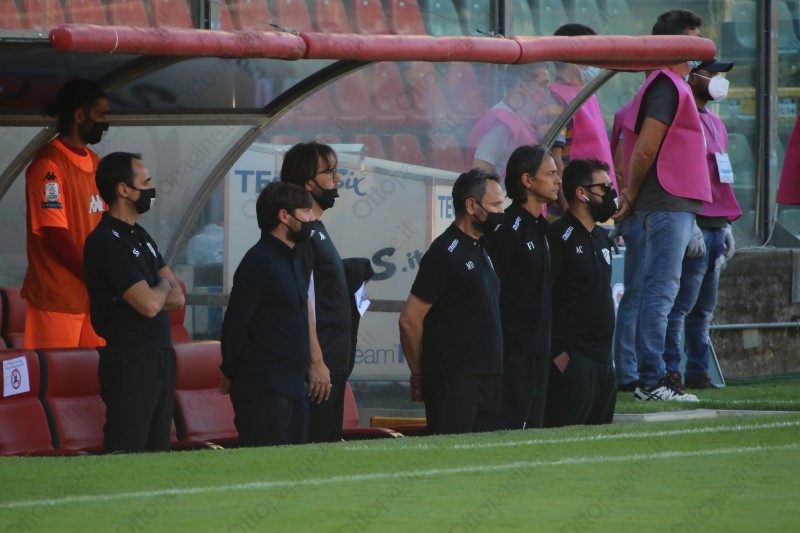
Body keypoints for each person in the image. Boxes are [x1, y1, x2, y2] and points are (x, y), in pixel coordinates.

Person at [614, 9, 712, 402]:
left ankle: (653, 377)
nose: (701, 47)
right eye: (693, 38)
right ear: (675, 43)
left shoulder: (671, 84)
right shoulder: (666, 85)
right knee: (660, 291)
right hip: (665, 201)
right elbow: (645, 149)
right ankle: (652, 380)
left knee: (661, 291)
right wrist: (632, 193)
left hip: (674, 201)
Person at [83, 152, 185, 452]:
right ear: (123, 190)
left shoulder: (141, 235)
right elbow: (149, 304)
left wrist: (159, 289)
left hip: (161, 356)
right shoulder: (105, 240)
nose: (152, 189)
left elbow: (178, 297)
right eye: (146, 182)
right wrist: (163, 284)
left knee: (157, 451)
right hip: (131, 360)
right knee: (128, 448)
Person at [399, 168, 505, 435]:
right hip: (455, 381)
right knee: (451, 453)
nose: (501, 211)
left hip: (489, 377)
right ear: (471, 206)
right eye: (495, 205)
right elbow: (410, 320)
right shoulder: (444, 252)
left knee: (485, 456)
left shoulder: (482, 247)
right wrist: (418, 372)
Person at [280, 141, 370, 443]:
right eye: (330, 172)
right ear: (308, 182)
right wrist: (316, 362)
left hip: (332, 362)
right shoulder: (303, 234)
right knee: (313, 448)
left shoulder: (316, 229)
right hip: (320, 367)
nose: (337, 179)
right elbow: (301, 299)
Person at [220, 182, 316, 446]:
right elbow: (236, 322)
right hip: (265, 392)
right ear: (284, 216)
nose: (312, 219)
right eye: (306, 211)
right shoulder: (259, 260)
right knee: (264, 464)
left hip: (294, 389)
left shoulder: (292, 258)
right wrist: (230, 369)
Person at [664, 59, 740, 390]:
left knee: (704, 309)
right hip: (694, 220)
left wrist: (727, 224)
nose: (717, 80)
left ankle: (698, 371)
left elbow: (720, 176)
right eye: (710, 74)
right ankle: (671, 370)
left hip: (716, 223)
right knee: (681, 305)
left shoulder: (716, 122)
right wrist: (689, 218)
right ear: (692, 77)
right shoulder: (681, 120)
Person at [22, 79, 110, 349]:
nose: (106, 122)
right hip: (57, 299)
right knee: (56, 372)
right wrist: (95, 275)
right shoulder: (48, 165)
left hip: (93, 299)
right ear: (80, 116)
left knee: (95, 372)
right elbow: (55, 234)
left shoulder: (95, 162)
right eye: (101, 115)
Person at [486, 145, 560, 429]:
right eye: (550, 174)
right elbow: (492, 291)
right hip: (513, 354)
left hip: (541, 350)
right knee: (509, 431)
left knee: (534, 432)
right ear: (527, 180)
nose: (558, 180)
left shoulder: (542, 227)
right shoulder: (508, 228)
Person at [544, 159, 618, 427]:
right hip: (573, 361)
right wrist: (559, 355)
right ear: (581, 193)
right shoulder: (557, 237)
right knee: (565, 437)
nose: (611, 193)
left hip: (604, 361)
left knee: (599, 441)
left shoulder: (602, 238)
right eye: (604, 187)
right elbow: (542, 300)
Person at [550, 24, 617, 192]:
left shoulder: (588, 93)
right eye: (592, 54)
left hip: (600, 196)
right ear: (572, 57)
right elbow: (555, 157)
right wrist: (567, 202)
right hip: (578, 197)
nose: (597, 62)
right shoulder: (556, 96)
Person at [468, 63, 560, 177]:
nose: (547, 92)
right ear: (521, 86)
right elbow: (479, 174)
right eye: (543, 85)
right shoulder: (502, 123)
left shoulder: (521, 118)